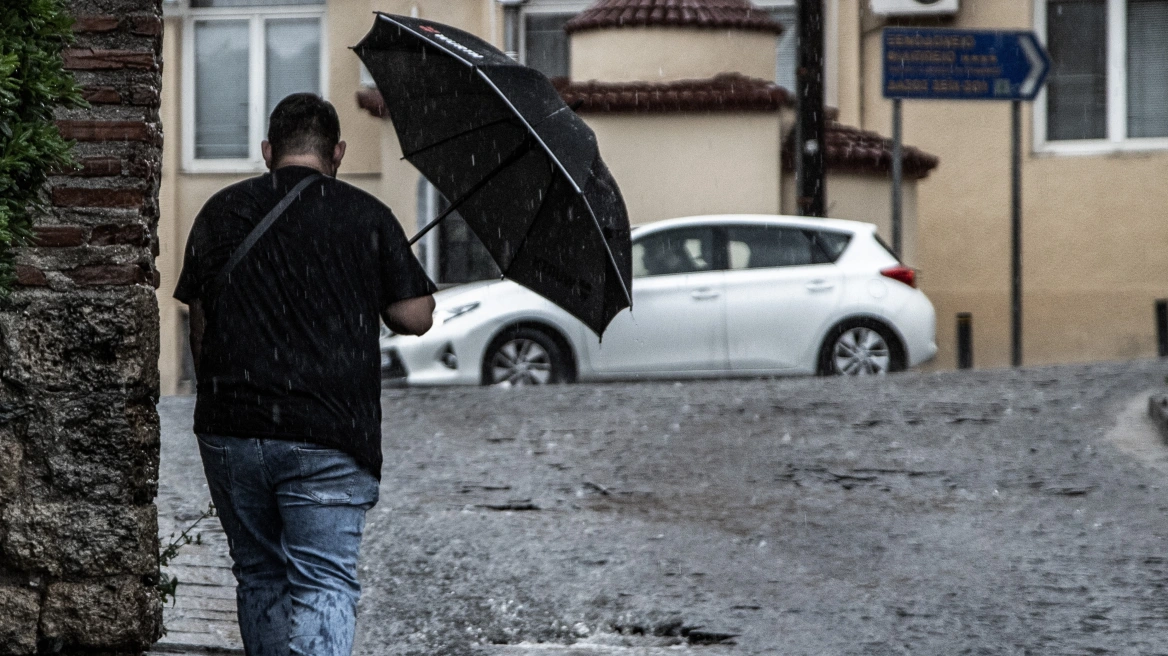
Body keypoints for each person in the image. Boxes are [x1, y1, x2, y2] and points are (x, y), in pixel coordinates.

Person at [174, 93, 436, 656]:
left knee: (260, 575)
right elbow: (415, 317)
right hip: (329, 433)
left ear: (268, 150)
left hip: (233, 427)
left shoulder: (221, 212)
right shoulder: (367, 216)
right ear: (337, 152)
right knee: (323, 580)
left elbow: (201, 324)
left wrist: (219, 403)